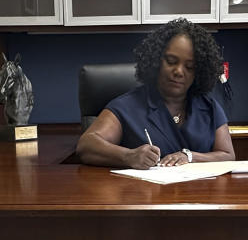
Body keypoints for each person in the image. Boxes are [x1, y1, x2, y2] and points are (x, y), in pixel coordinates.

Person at [76, 18, 235, 169]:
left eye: (190, 66)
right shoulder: (127, 106)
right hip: (145, 195)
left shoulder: (209, 108)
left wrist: (191, 157)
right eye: (171, 61)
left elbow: (228, 156)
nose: (179, 71)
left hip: (198, 196)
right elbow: (86, 145)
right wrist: (129, 156)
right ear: (156, 61)